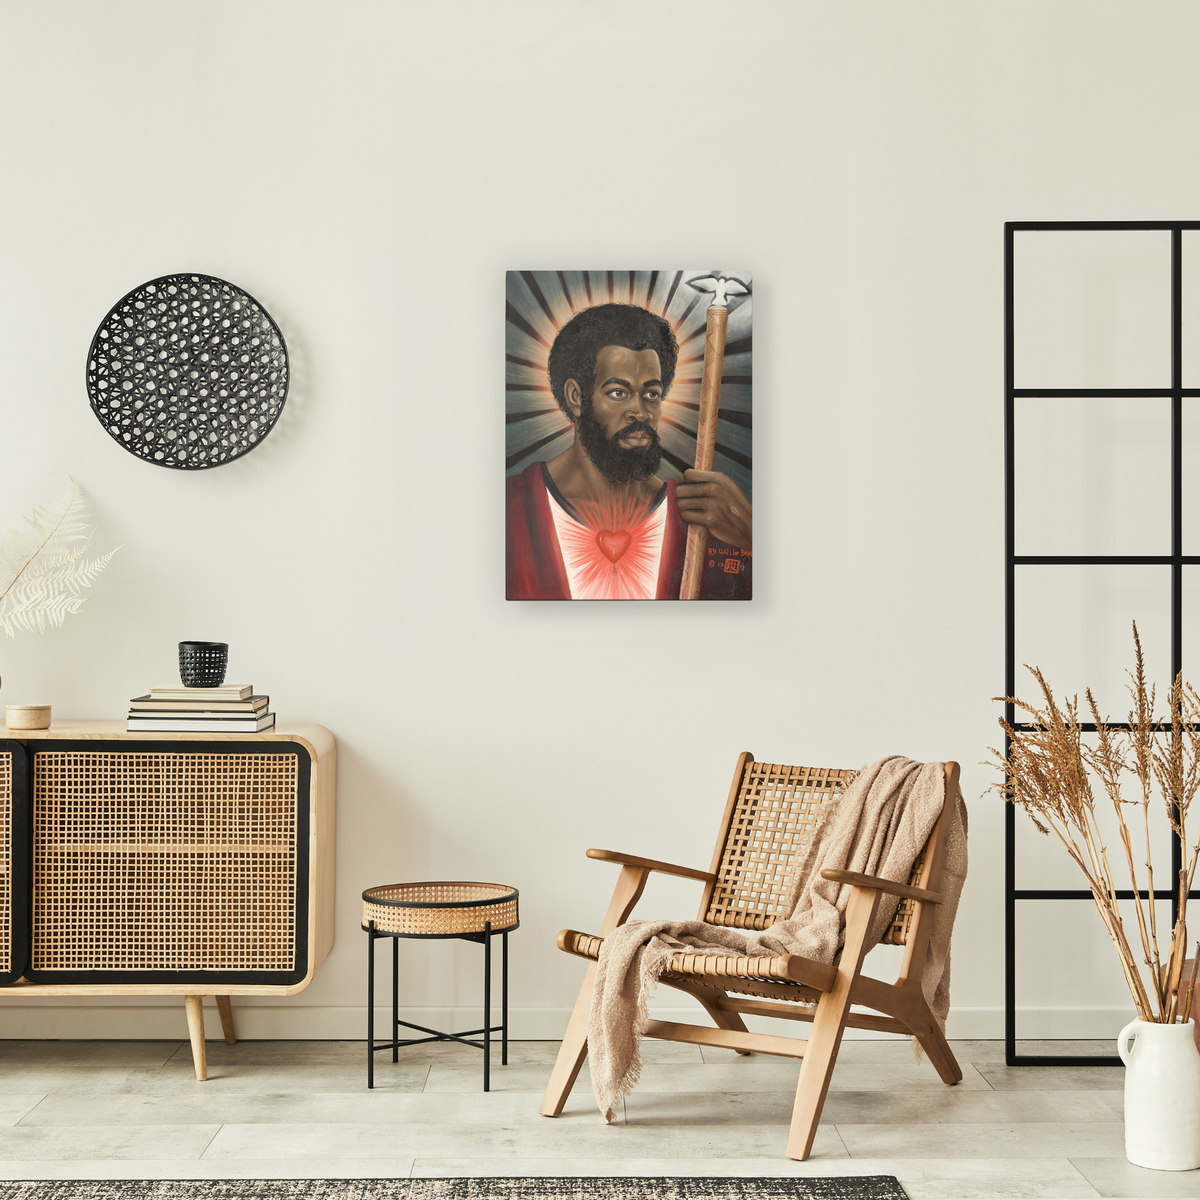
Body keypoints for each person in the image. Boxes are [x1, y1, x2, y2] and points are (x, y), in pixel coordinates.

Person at [506, 303, 751, 600]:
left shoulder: (703, 518)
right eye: (618, 393)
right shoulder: (508, 507)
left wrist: (752, 539)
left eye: (651, 394)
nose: (640, 412)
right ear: (576, 396)